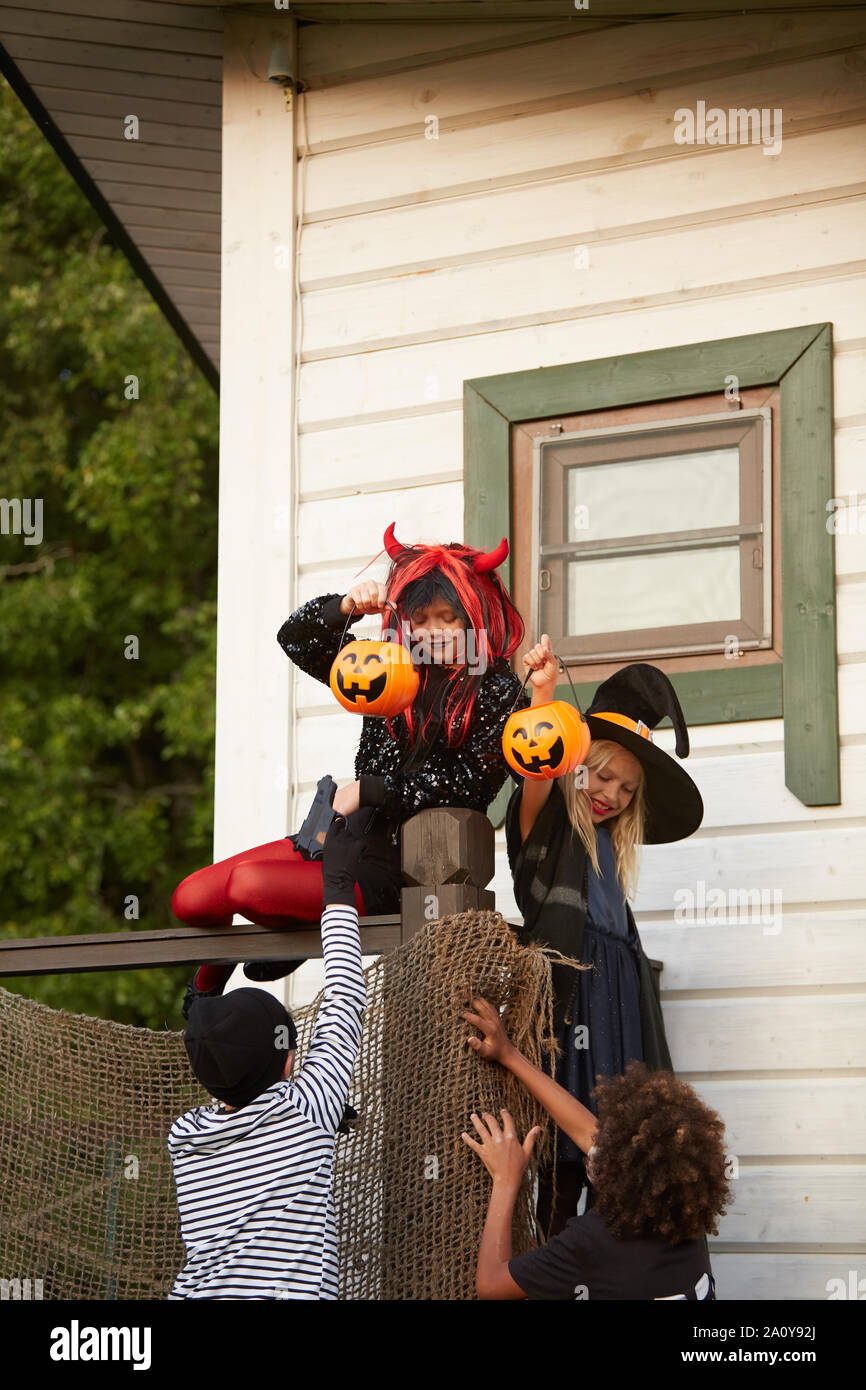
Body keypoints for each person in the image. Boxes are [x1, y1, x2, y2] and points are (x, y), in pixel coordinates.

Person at [174, 521, 530, 1003]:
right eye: (421, 619)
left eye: (449, 618)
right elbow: (296, 640)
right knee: (189, 898)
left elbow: (470, 785)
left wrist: (371, 790)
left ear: (473, 616)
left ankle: (227, 978)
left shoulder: (498, 691)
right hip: (333, 838)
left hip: (390, 874)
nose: (434, 632)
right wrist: (346, 607)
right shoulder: (385, 669)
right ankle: (227, 964)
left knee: (246, 885)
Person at [505, 636, 705, 1236]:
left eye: (626, 791)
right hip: (574, 1003)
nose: (610, 796)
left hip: (619, 1011)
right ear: (577, 761)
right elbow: (539, 760)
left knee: (618, 1162)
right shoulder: (551, 820)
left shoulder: (611, 855)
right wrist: (542, 692)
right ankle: (561, 1264)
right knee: (568, 1160)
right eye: (605, 775)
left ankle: (614, 1272)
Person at [167, 814, 366, 1300]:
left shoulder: (186, 1138)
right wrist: (338, 888)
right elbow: (344, 999)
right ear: (287, 1063)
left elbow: (213, 1050)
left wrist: (205, 990)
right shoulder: (306, 1107)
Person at [460, 997, 729, 1301]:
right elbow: (589, 1132)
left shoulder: (595, 1241)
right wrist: (508, 1054)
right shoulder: (683, 1214)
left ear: (614, 1172)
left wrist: (506, 1180)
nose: (593, 1145)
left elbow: (492, 1286)